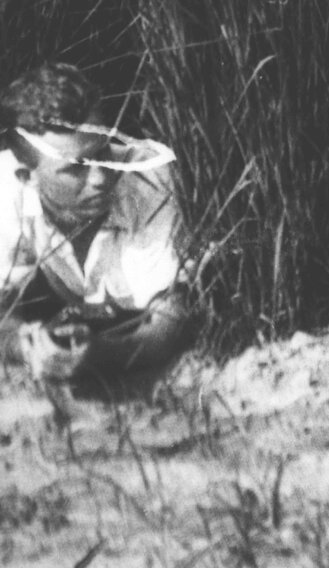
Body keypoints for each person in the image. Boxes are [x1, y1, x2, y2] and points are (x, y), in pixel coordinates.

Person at [0, 63, 194, 392]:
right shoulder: (7, 188)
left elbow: (168, 325)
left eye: (102, 151)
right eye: (76, 168)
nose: (101, 177)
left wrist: (101, 357)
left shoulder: (150, 182)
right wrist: (27, 345)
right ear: (26, 175)